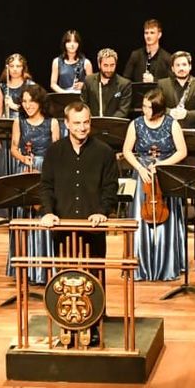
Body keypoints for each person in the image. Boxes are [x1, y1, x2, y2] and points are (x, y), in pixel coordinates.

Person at [39, 101, 120, 346]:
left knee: (94, 275)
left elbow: (110, 188)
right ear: (67, 124)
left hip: (92, 226)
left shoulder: (104, 152)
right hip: (62, 225)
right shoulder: (54, 151)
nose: (82, 127)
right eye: (77, 123)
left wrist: (102, 212)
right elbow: (46, 186)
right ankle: (66, 324)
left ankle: (94, 324)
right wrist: (48, 212)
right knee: (64, 276)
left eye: (86, 122)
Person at [123, 88, 188, 281]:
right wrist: (140, 168)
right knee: (140, 218)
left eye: (148, 107)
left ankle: (165, 264)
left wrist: (161, 165)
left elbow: (182, 151)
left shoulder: (171, 124)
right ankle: (140, 265)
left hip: (164, 173)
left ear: (158, 109)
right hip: (142, 173)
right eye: (143, 106)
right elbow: (127, 150)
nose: (144, 110)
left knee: (165, 216)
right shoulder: (136, 124)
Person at [7, 83, 58, 286]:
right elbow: (13, 147)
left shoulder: (52, 122)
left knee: (43, 215)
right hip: (25, 169)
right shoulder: (19, 122)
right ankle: (25, 268)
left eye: (32, 101)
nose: (27, 105)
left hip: (45, 171)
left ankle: (45, 268)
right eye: (24, 101)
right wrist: (23, 158)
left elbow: (56, 149)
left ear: (40, 102)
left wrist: (45, 165)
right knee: (23, 217)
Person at [157, 51, 195, 129]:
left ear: (190, 66)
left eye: (184, 65)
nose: (181, 68)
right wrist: (169, 112)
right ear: (172, 68)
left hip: (192, 131)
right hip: (167, 130)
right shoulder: (162, 84)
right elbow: (156, 107)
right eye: (177, 65)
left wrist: (187, 114)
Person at [82, 48, 132, 118]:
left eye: (112, 65)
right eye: (105, 65)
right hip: (93, 125)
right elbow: (84, 105)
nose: (109, 69)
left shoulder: (124, 84)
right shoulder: (88, 81)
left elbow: (123, 110)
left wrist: (107, 123)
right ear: (99, 64)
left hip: (114, 125)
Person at [123, 18, 172, 86]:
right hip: (138, 95)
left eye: (152, 33)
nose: (148, 36)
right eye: (146, 33)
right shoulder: (135, 55)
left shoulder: (167, 58)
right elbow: (125, 79)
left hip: (160, 95)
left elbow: (172, 83)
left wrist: (154, 80)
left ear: (159, 35)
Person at [50, 29, 94, 94]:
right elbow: (53, 84)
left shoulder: (86, 63)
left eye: (75, 42)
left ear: (79, 44)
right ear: (64, 43)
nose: (72, 45)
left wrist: (83, 85)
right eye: (69, 42)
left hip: (80, 98)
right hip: (63, 98)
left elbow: (92, 85)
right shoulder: (56, 62)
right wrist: (64, 93)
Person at [0, 52, 30, 120]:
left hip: (25, 124)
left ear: (23, 68)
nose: (15, 69)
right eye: (11, 66)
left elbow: (33, 110)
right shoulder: (2, 86)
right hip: (8, 125)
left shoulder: (29, 85)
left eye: (18, 66)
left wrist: (13, 106)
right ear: (7, 68)